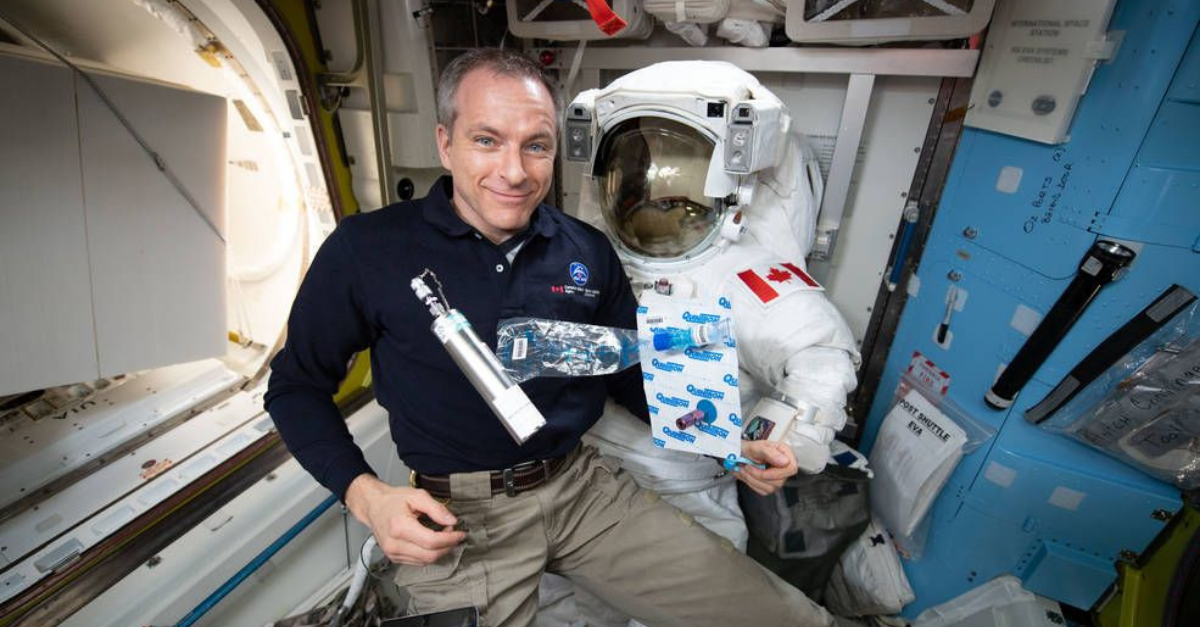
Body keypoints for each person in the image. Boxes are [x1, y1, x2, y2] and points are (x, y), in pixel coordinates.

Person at [265, 48, 837, 627]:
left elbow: (627, 373)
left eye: (535, 145)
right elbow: (294, 388)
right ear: (445, 143)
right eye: (487, 140)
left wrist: (728, 440)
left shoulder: (585, 251)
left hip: (580, 486)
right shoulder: (368, 250)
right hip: (460, 514)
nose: (514, 172)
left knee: (783, 617)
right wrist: (367, 496)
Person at [538, 61, 861, 627]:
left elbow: (820, 358)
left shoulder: (746, 276)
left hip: (685, 485)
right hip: (585, 474)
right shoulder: (586, 255)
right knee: (575, 605)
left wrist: (770, 441)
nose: (656, 195)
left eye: (679, 183)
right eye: (637, 170)